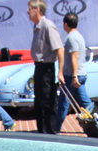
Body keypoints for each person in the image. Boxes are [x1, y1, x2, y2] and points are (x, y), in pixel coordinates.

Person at [27, 0, 63, 134]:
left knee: (48, 101)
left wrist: (60, 72)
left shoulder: (48, 26)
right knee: (39, 101)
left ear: (37, 10)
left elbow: (60, 49)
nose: (27, 12)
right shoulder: (36, 27)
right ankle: (42, 131)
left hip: (47, 68)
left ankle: (50, 132)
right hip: (39, 67)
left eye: (29, 8)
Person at [55, 12, 93, 132]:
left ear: (66, 24)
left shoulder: (71, 38)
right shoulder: (79, 36)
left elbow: (74, 56)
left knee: (63, 104)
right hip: (81, 73)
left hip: (72, 76)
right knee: (85, 101)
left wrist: (74, 76)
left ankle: (55, 129)